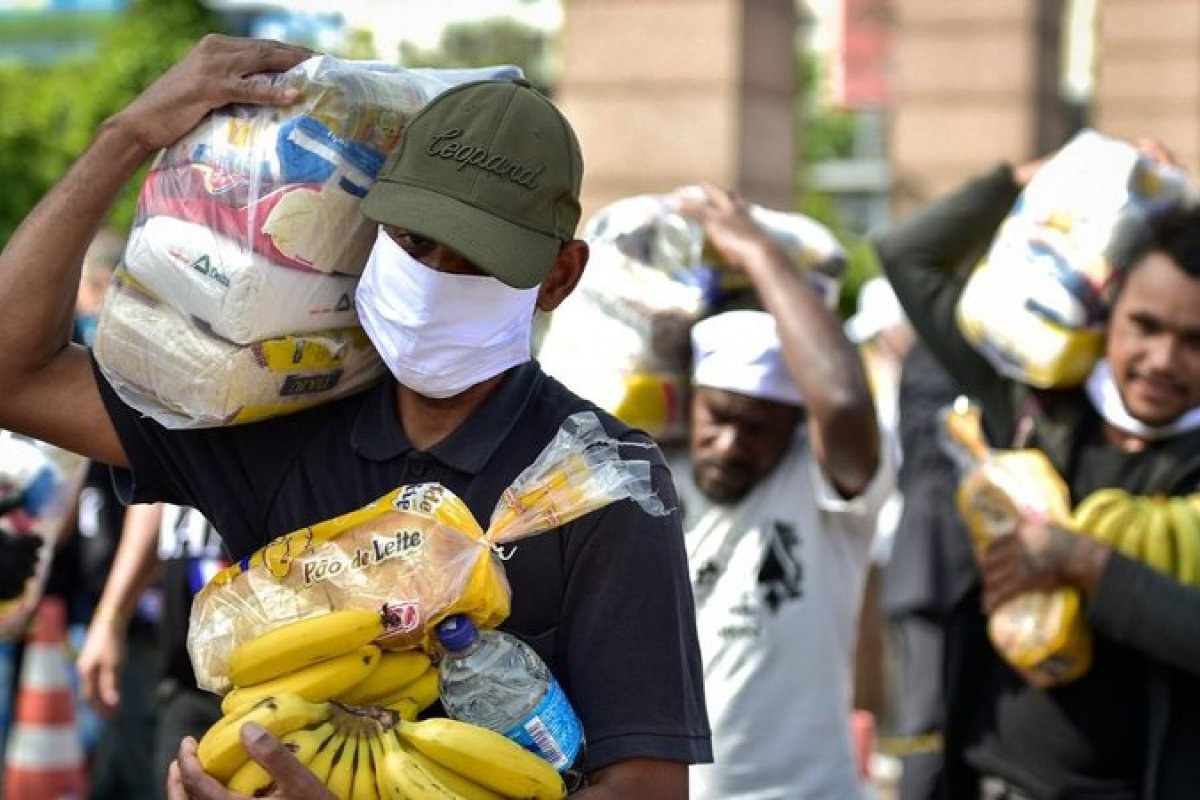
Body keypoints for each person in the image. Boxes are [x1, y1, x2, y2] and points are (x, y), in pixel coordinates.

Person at [0, 35, 710, 800]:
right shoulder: (277, 417)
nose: (434, 280)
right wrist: (127, 136)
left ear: (558, 277)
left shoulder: (600, 480)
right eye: (413, 242)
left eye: (476, 259)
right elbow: (17, 375)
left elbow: (644, 786)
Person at [874, 147, 1200, 799]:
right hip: (989, 779)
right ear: (1107, 309)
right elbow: (909, 256)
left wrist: (1080, 559)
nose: (1162, 359)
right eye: (1145, 325)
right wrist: (1038, 176)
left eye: (1196, 340)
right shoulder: (1035, 405)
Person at [668, 186, 893, 799]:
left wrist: (758, 252)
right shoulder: (651, 466)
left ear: (797, 424)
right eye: (718, 416)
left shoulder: (827, 487)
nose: (731, 444)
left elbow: (844, 401)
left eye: (759, 427)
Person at [879, 340, 976, 800]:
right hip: (935, 566)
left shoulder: (929, 351)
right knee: (927, 726)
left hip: (944, 562)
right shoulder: (943, 353)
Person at [78, 502, 228, 800]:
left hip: (278, 682)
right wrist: (111, 617)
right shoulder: (183, 457)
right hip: (185, 679)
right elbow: (153, 497)